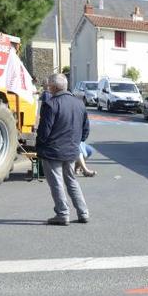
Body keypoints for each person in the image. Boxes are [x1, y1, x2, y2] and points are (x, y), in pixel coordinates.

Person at [36, 73, 90, 225]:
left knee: (57, 183)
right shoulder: (79, 103)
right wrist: (76, 142)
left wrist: (40, 145)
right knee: (72, 181)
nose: (48, 88)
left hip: (53, 151)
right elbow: (86, 130)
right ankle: (83, 212)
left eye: (49, 86)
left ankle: (62, 213)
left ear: (53, 87)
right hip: (72, 150)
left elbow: (44, 131)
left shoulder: (51, 104)